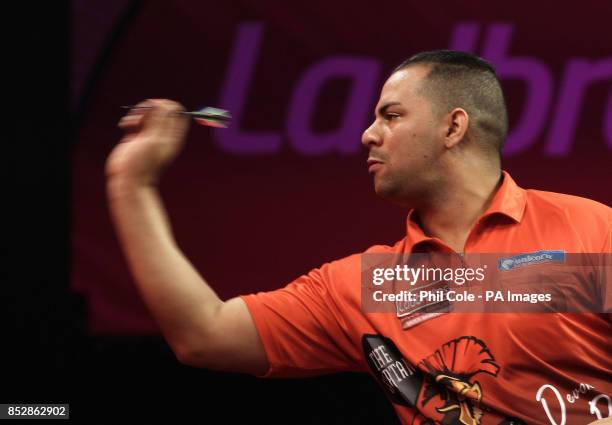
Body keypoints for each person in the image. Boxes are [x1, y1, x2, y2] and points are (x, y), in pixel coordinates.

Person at [106, 50, 611, 425]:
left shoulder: (591, 234)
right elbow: (204, 332)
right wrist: (131, 184)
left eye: (391, 116)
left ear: (453, 127)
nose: (368, 135)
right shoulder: (372, 285)